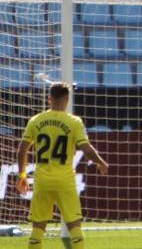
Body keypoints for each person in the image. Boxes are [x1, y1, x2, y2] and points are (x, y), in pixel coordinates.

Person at [16, 82, 109, 249]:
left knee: (37, 228)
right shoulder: (74, 122)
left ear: (49, 98)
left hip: (42, 181)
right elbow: (86, 148)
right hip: (65, 181)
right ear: (67, 99)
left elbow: (22, 149)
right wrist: (100, 162)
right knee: (74, 226)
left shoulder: (36, 120)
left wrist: (22, 175)